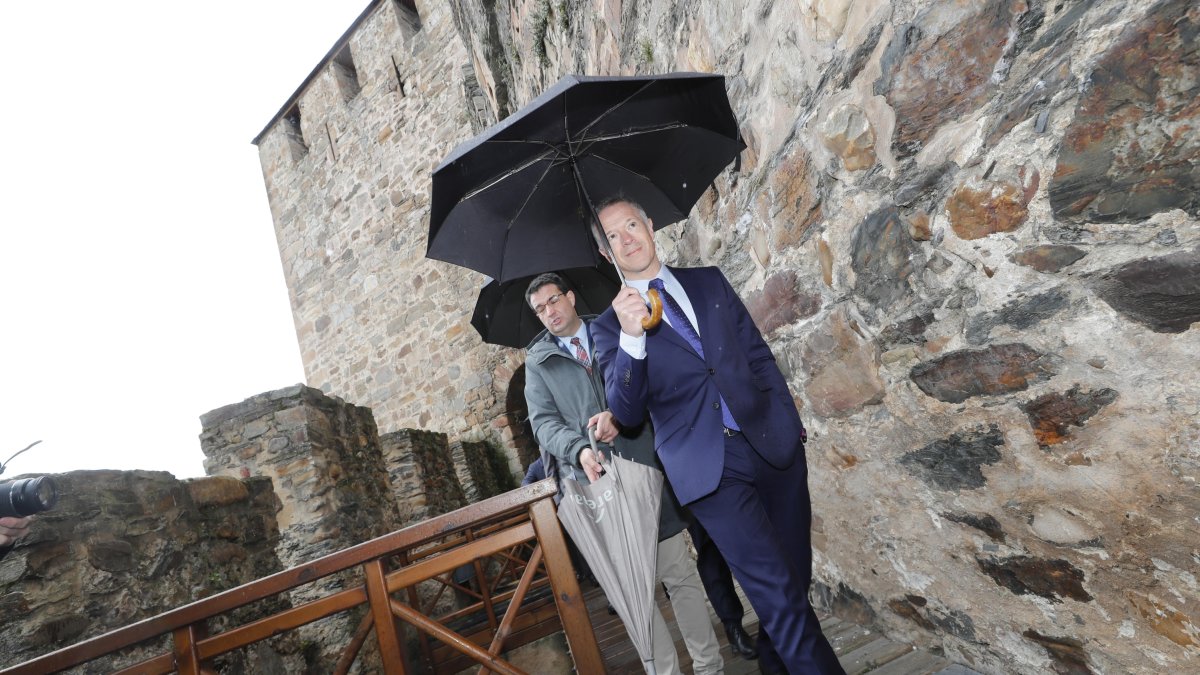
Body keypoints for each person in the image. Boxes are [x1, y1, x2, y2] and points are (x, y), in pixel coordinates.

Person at [590, 197, 845, 675]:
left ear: (649, 224)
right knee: (778, 595)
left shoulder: (707, 281)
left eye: (631, 225)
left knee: (793, 582)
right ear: (606, 255)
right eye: (611, 238)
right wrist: (631, 338)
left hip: (772, 447)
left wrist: (788, 424)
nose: (626, 239)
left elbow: (757, 355)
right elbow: (626, 411)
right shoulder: (608, 328)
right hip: (710, 471)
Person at [523, 272, 724, 675]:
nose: (549, 312)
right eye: (540, 309)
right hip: (596, 489)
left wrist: (620, 415)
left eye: (553, 300)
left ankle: (709, 668)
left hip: (644, 468)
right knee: (635, 594)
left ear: (570, 296)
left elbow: (652, 382)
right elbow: (543, 424)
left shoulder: (613, 327)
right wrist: (578, 449)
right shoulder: (538, 363)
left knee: (679, 576)